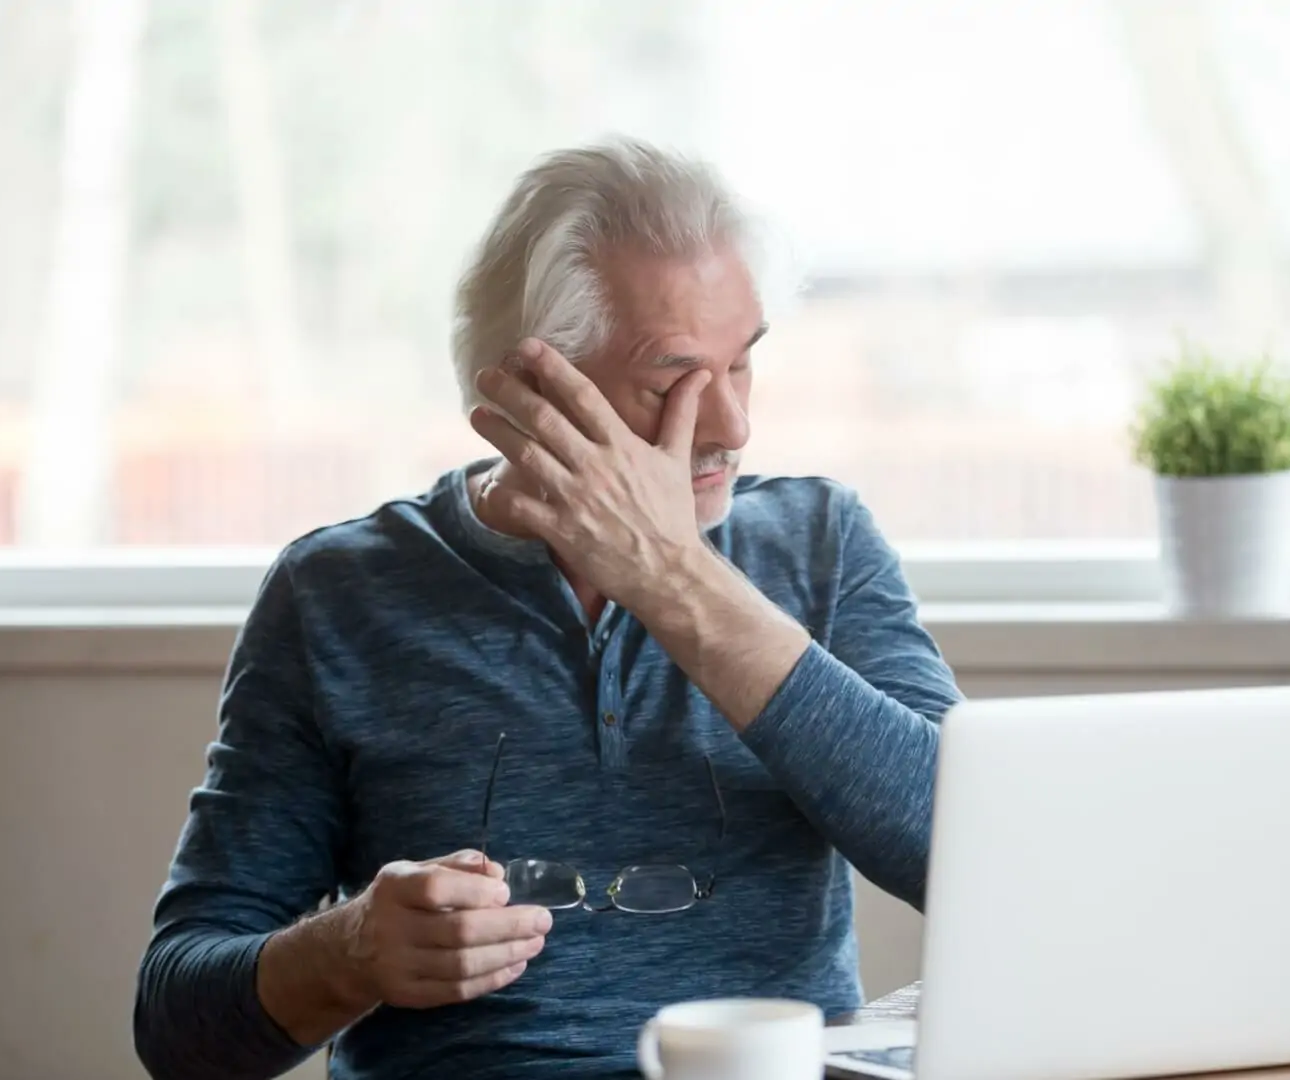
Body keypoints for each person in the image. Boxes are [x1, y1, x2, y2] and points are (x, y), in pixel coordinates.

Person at [133, 137, 962, 1080]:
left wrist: (672, 579)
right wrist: (348, 949)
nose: (731, 424)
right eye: (673, 381)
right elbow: (179, 1027)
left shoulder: (822, 543)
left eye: (743, 365)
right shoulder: (336, 594)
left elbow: (974, 859)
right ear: (534, 394)